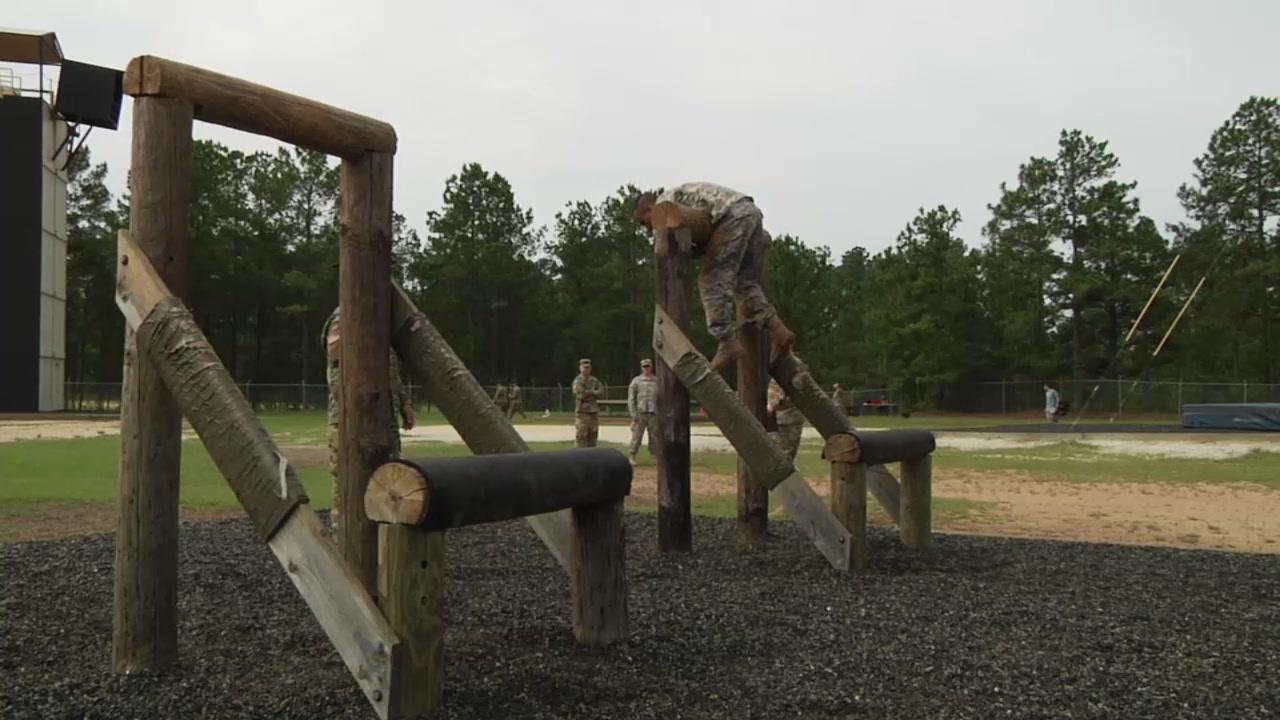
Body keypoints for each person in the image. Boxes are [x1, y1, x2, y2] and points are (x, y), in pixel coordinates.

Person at [633, 182, 795, 371]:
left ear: (650, 209)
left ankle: (726, 340)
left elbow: (666, 241)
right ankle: (779, 331)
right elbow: (707, 237)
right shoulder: (685, 196)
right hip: (749, 212)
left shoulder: (664, 204)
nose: (646, 228)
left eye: (644, 222)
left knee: (711, 280)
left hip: (732, 215)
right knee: (744, 284)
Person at [323, 305, 416, 540]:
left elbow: (391, 369)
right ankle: (342, 537)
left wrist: (404, 402)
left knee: (389, 473)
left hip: (385, 417)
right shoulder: (345, 314)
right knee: (348, 478)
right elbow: (337, 367)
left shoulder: (380, 318)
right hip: (351, 418)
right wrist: (352, 409)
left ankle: (382, 537)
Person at [626, 358, 658, 463]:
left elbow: (662, 397)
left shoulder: (657, 381)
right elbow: (631, 398)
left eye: (648, 366)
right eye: (644, 367)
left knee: (654, 436)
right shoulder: (636, 381)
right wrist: (633, 413)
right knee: (636, 436)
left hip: (653, 412)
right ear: (641, 368)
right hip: (640, 413)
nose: (646, 369)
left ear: (651, 367)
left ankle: (654, 456)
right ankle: (632, 455)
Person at [767, 377, 807, 460]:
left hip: (784, 421)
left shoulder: (780, 378)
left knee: (783, 455)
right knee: (789, 453)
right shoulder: (799, 374)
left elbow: (771, 406)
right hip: (794, 420)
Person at [572, 358, 605, 447]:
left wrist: (590, 392)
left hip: (593, 412)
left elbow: (601, 392)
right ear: (580, 368)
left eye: (588, 367)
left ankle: (591, 457)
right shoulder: (578, 380)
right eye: (584, 367)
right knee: (581, 436)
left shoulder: (594, 380)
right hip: (582, 412)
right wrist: (593, 392)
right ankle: (580, 457)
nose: (586, 369)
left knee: (593, 435)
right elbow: (580, 394)